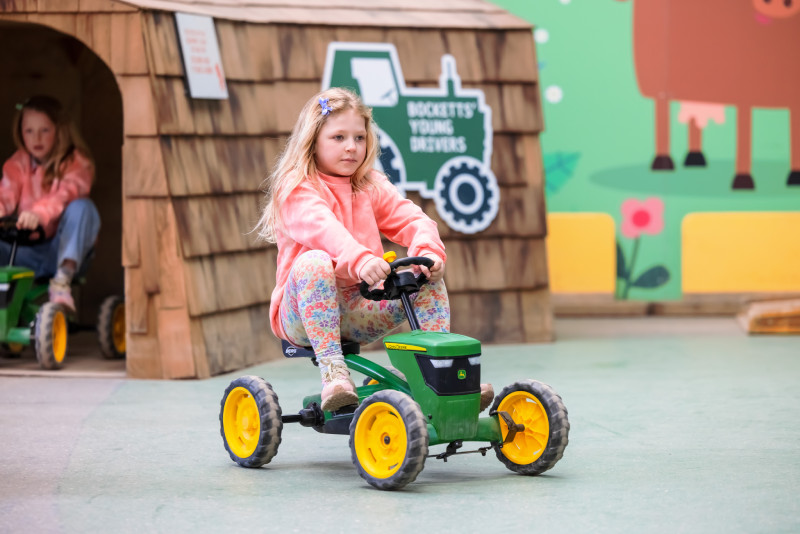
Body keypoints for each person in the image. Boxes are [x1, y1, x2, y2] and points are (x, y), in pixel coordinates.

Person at [255, 87, 493, 412]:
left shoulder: (369, 185)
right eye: (338, 137)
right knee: (315, 261)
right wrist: (361, 258)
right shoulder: (297, 188)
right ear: (313, 141)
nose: (351, 147)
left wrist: (429, 252)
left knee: (425, 277)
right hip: (302, 313)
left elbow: (412, 218)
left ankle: (435, 375)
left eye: (359, 138)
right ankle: (334, 375)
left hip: (360, 308)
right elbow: (324, 229)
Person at [0, 95, 100, 313]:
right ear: (20, 132)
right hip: (23, 252)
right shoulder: (17, 163)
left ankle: (61, 283)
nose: (36, 137)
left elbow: (66, 194)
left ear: (59, 131)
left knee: (83, 208)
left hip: (60, 252)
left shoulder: (77, 163)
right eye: (29, 131)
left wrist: (38, 214)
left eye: (44, 130)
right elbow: (5, 195)